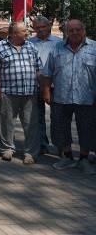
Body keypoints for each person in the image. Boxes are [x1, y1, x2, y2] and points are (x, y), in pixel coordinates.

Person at [42, 19, 96, 174]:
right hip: (61, 97)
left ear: (83, 30)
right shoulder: (57, 48)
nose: (74, 33)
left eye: (77, 29)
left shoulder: (94, 48)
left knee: (88, 129)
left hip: (87, 98)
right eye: (71, 30)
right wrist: (46, 92)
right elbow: (47, 73)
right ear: (66, 32)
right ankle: (67, 157)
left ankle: (84, 159)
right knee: (60, 128)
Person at [0, 22, 41, 164]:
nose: (27, 33)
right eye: (24, 31)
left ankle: (30, 153)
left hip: (30, 92)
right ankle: (7, 149)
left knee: (31, 124)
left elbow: (38, 68)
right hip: (8, 92)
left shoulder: (31, 46)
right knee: (7, 122)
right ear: (13, 33)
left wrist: (42, 87)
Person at [28, 16, 62, 155]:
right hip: (35, 85)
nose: (41, 30)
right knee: (37, 116)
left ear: (49, 26)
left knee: (58, 117)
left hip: (55, 86)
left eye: (43, 27)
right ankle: (42, 143)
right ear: (34, 29)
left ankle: (61, 146)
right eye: (38, 28)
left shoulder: (59, 43)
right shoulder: (29, 43)